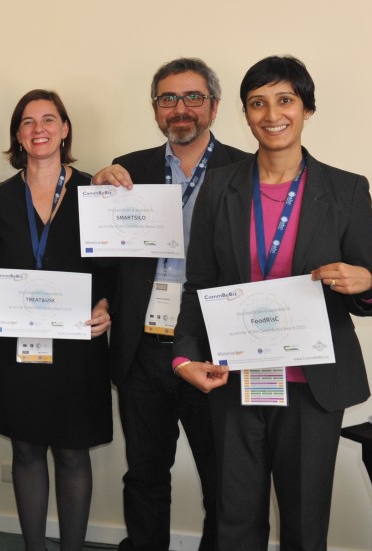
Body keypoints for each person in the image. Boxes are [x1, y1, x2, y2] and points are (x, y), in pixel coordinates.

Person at [173, 55, 372, 551]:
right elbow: (198, 284)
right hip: (235, 381)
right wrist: (183, 355)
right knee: (234, 521)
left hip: (313, 388)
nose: (272, 114)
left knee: (305, 522)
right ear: (245, 114)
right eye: (258, 103)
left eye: (285, 100)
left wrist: (365, 282)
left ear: (306, 108)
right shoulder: (220, 187)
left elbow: (371, 295)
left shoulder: (346, 189)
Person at [92, 58, 250, 551]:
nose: (180, 109)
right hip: (143, 348)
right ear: (156, 109)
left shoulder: (245, 171)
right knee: (144, 474)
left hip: (210, 348)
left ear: (215, 106)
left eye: (192, 98)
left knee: (222, 480)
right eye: (168, 99)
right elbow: (106, 259)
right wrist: (98, 197)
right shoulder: (128, 169)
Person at [0, 90, 113, 551]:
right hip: (16, 343)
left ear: (65, 128)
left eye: (49, 119)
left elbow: (113, 269)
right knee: (26, 450)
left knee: (73, 452)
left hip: (77, 345)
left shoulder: (97, 191)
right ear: (18, 133)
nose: (39, 129)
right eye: (28, 121)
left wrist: (107, 306)